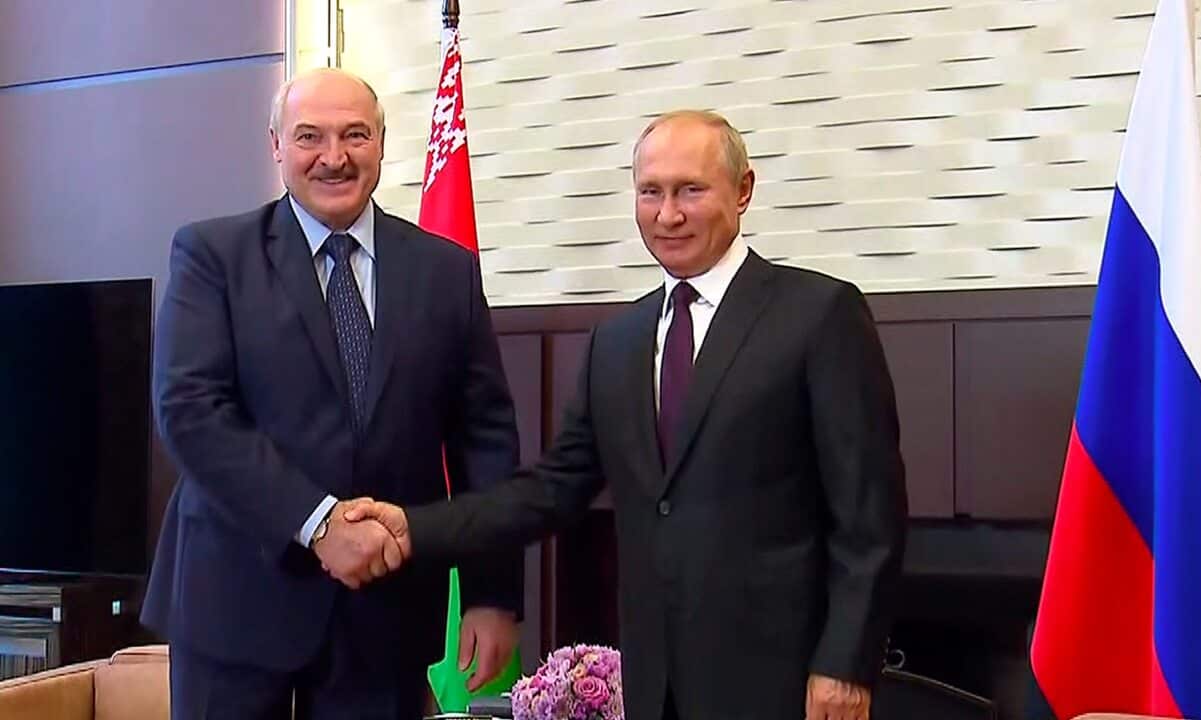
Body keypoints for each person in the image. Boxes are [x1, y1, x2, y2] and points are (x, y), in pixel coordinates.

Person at [349, 110, 908, 720]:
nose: (668, 214)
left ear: (743, 191)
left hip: (785, 682)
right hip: (654, 685)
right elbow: (550, 492)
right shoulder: (617, 341)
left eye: (690, 190)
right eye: (651, 192)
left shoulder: (820, 315)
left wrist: (846, 663)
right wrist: (415, 528)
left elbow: (868, 516)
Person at [143, 68, 524, 720]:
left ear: (382, 141)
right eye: (309, 137)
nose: (334, 157)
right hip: (236, 601)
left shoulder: (445, 271)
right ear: (276, 146)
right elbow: (191, 412)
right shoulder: (212, 255)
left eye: (354, 135)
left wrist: (493, 594)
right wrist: (319, 524)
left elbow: (484, 439)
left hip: (386, 612)